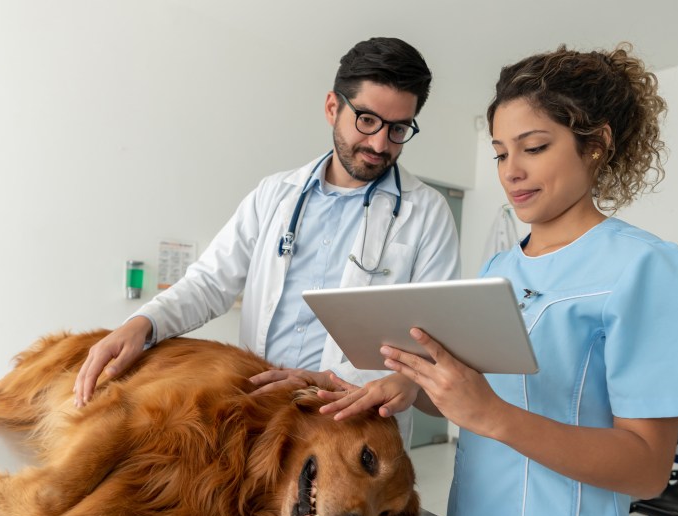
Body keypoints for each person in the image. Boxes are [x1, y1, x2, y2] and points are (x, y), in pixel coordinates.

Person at [319, 44, 678, 516]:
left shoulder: (645, 267)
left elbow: (647, 467)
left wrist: (492, 415)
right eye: (502, 153)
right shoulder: (500, 270)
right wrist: (409, 386)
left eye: (534, 148)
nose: (511, 171)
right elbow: (473, 400)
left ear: (595, 144)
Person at [73, 37, 461, 442]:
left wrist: (409, 384)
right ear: (333, 108)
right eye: (367, 120)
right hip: (259, 411)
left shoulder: (426, 212)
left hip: (353, 427)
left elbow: (436, 344)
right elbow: (209, 282)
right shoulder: (274, 194)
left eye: (398, 129)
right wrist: (143, 324)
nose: (380, 144)